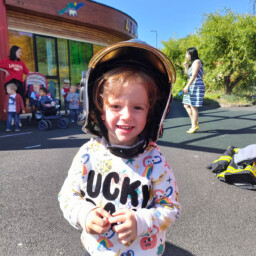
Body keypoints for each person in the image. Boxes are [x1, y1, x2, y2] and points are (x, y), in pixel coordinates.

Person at [58, 40, 180, 256]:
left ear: (151, 113)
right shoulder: (88, 153)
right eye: (116, 106)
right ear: (100, 110)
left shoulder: (155, 160)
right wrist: (84, 214)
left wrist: (141, 222)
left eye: (137, 107)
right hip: (96, 250)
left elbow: (170, 208)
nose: (126, 115)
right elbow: (68, 195)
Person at [182, 47, 205, 134]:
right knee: (186, 105)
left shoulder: (197, 62)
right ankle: (194, 122)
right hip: (192, 85)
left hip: (196, 85)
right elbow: (189, 76)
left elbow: (194, 75)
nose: (186, 56)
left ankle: (194, 126)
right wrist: (186, 67)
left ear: (191, 54)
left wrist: (187, 86)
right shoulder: (193, 64)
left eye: (187, 54)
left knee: (193, 106)